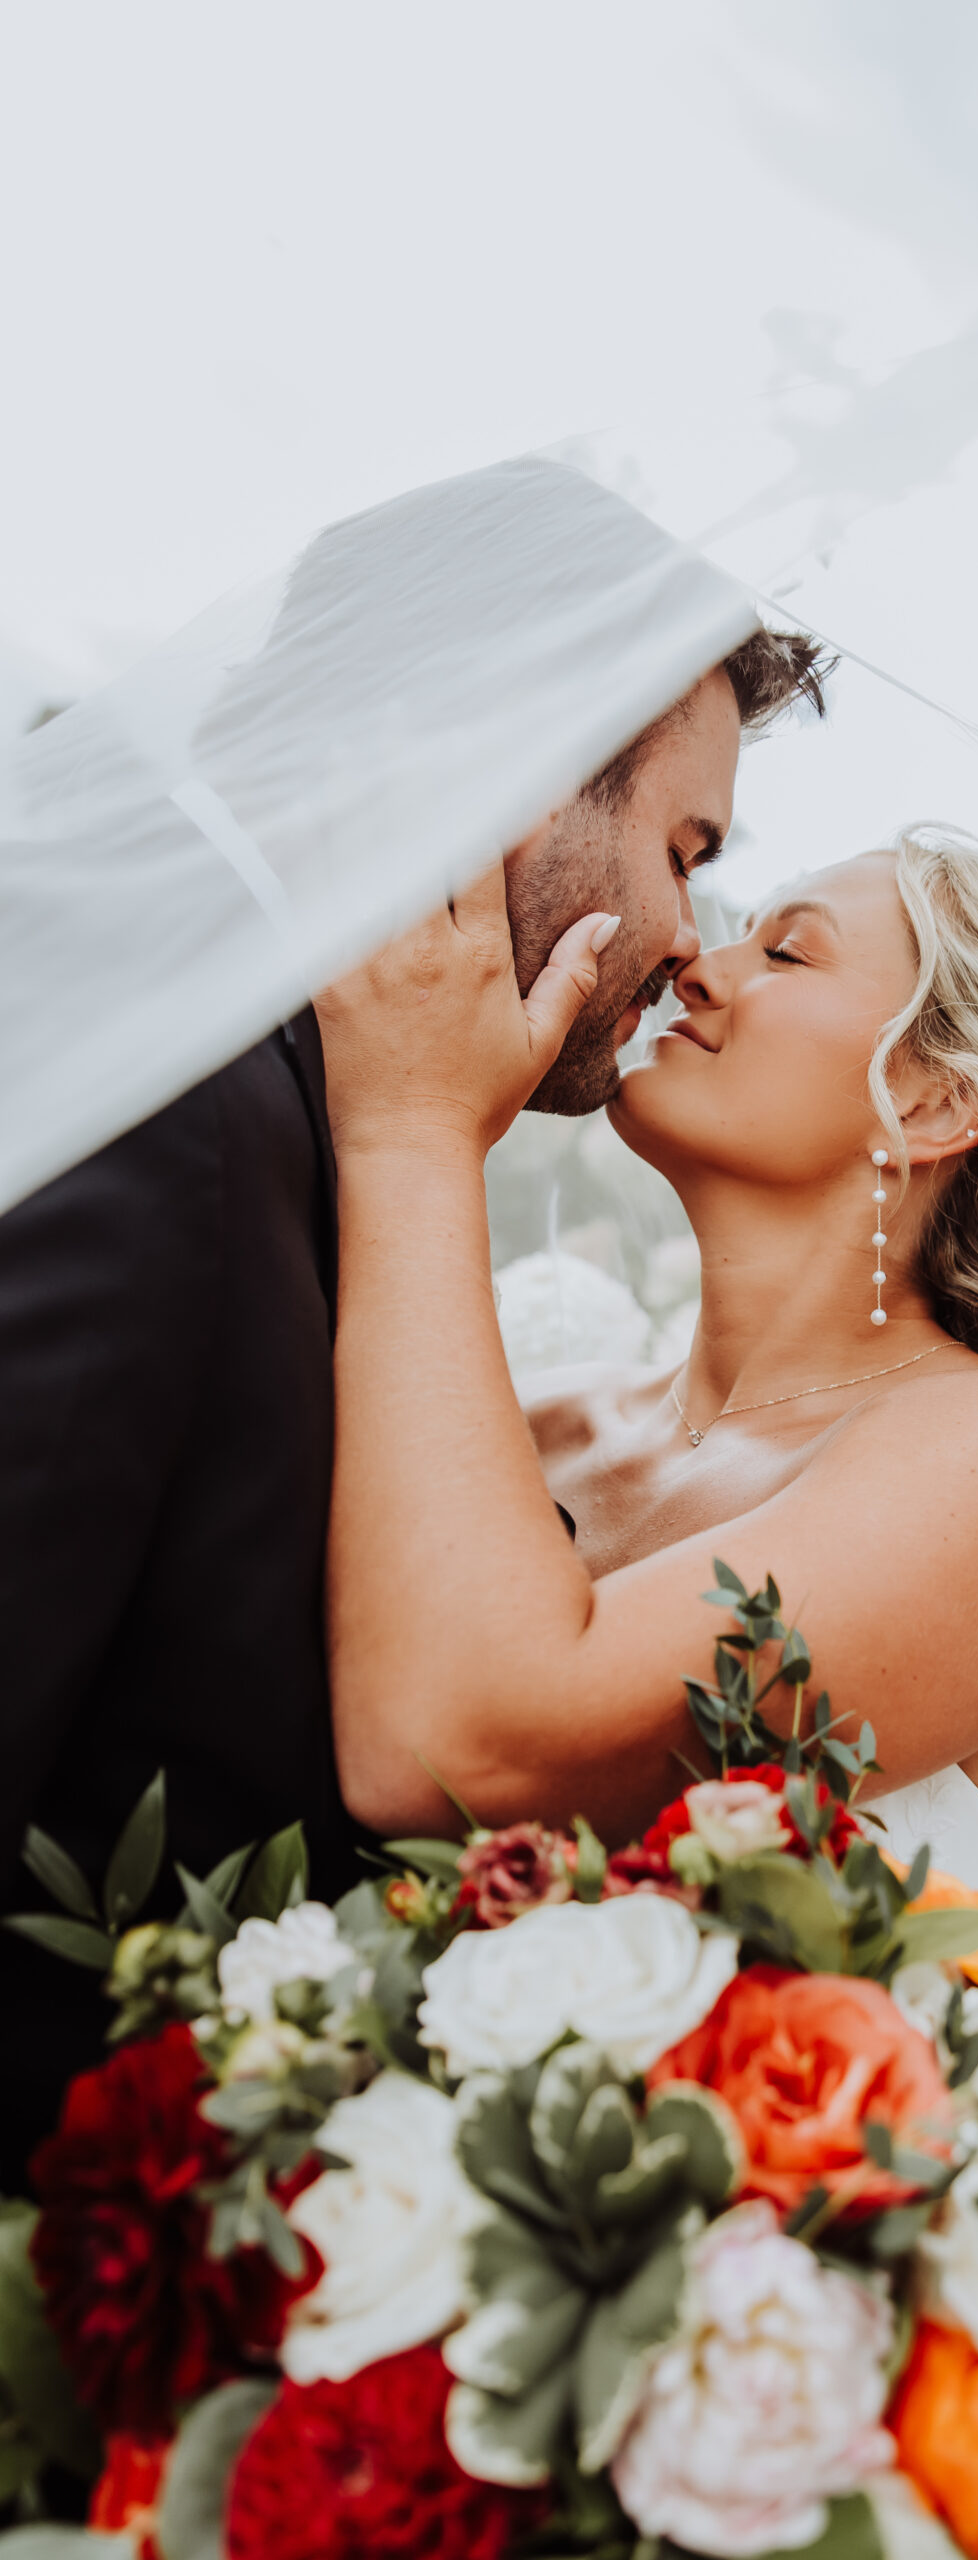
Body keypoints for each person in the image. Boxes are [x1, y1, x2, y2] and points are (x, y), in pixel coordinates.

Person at [0, 619, 828, 2188]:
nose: (684, 935)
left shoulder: (237, 1072)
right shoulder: (174, 1105)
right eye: (682, 844)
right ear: (521, 771)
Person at [319, 829, 978, 1929]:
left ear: (928, 1107)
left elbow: (474, 1756)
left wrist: (415, 1132)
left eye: (786, 953)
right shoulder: (535, 1424)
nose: (698, 965)